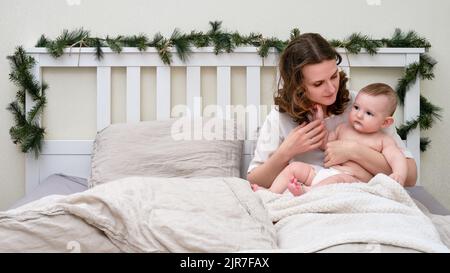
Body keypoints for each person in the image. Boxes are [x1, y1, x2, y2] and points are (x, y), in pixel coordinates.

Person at [246, 33, 417, 191]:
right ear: (297, 86)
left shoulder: (362, 106)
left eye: (334, 76)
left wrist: (354, 151)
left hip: (355, 189)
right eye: (318, 84)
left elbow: (410, 177)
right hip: (309, 185)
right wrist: (286, 152)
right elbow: (254, 180)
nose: (331, 89)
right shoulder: (280, 118)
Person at [258, 83, 408, 196]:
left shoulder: (382, 140)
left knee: (340, 179)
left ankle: (308, 192)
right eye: (356, 108)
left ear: (385, 122)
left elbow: (397, 157)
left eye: (369, 113)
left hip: (354, 183)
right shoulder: (343, 128)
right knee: (294, 167)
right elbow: (325, 144)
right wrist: (320, 121)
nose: (359, 115)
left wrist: (399, 174)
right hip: (327, 174)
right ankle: (270, 195)